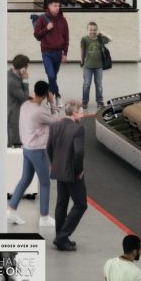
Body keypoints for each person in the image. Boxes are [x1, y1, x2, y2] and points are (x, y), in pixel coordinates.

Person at [7, 81, 60, 227]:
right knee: (45, 183)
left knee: (25, 179)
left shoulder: (25, 105)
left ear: (35, 91)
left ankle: (12, 209)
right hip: (38, 150)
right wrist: (52, 102)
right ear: (45, 94)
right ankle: (44, 217)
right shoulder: (40, 111)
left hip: (27, 148)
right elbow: (56, 120)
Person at [49, 101, 89, 251]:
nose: (82, 115)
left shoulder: (55, 126)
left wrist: (55, 163)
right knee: (81, 204)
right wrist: (79, 171)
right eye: (81, 112)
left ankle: (61, 238)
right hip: (72, 173)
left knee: (62, 203)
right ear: (75, 113)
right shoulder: (78, 129)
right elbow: (79, 152)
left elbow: (49, 147)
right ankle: (62, 236)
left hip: (59, 170)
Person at [31, 0, 69, 92]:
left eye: (59, 6)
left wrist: (65, 53)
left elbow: (66, 37)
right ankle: (56, 93)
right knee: (51, 76)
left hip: (58, 53)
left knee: (53, 76)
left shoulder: (63, 20)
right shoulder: (42, 18)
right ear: (49, 6)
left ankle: (50, 94)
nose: (57, 8)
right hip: (46, 52)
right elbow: (36, 35)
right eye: (55, 5)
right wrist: (47, 29)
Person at [78, 23, 111, 107]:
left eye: (95, 30)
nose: (93, 32)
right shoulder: (84, 39)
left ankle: (99, 101)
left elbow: (111, 39)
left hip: (99, 67)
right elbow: (82, 51)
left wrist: (103, 34)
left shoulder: (100, 39)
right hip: (87, 66)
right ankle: (85, 101)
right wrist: (82, 61)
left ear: (97, 30)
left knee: (99, 84)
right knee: (86, 84)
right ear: (87, 30)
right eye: (91, 30)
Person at [5, 55, 31, 149]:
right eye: (26, 66)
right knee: (15, 142)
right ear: (23, 68)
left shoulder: (11, 74)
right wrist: (25, 81)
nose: (27, 69)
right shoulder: (12, 81)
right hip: (14, 114)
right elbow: (24, 97)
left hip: (16, 111)